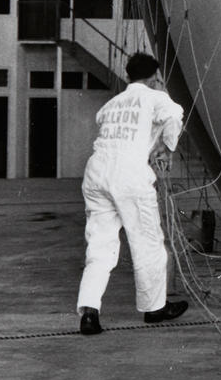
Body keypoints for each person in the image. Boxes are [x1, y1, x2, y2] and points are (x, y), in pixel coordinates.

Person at [76, 52, 188, 335]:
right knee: (148, 243)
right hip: (129, 175)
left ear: (127, 76)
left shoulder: (112, 103)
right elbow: (175, 114)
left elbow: (106, 123)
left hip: (97, 173)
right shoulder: (155, 97)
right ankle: (154, 308)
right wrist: (167, 147)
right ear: (155, 78)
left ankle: (89, 313)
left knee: (100, 247)